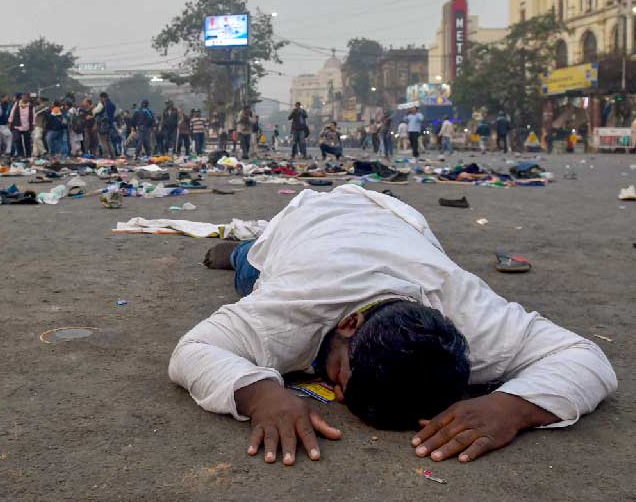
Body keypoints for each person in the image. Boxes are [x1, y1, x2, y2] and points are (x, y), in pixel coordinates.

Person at [170, 185, 617, 466]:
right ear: (348, 324)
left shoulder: (470, 311)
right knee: (252, 274)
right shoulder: (291, 305)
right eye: (343, 376)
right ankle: (243, 249)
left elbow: (584, 358)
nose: (337, 392)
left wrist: (511, 408)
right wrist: (261, 395)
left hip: (398, 219)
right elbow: (193, 350)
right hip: (306, 223)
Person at [8, 93, 35, 158]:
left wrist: (33, 124)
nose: (25, 98)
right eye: (24, 97)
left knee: (27, 141)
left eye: (27, 97)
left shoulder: (31, 106)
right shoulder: (16, 104)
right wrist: (10, 122)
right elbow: (12, 113)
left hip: (27, 126)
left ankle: (28, 155)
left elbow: (33, 116)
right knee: (17, 139)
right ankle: (20, 154)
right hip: (17, 125)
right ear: (22, 97)